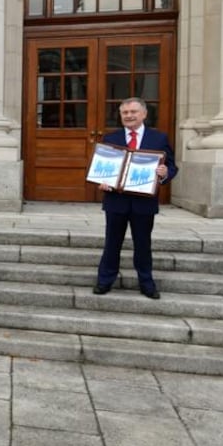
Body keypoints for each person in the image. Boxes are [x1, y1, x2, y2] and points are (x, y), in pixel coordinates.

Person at [93, 97, 177, 299]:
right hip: (116, 201)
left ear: (144, 114)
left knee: (143, 245)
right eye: (125, 113)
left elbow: (171, 166)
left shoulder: (159, 138)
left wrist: (164, 173)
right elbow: (103, 167)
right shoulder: (111, 138)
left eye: (133, 112)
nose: (129, 116)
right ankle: (104, 281)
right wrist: (102, 181)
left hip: (144, 203)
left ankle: (146, 283)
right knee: (112, 243)